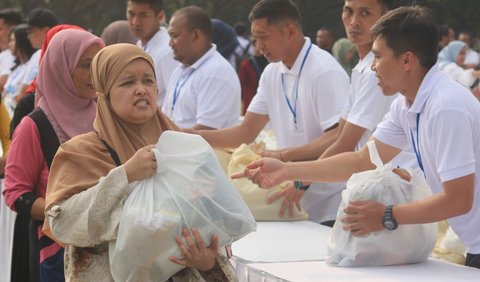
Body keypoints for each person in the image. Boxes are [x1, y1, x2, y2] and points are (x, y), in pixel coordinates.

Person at [233, 6, 480, 270]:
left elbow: (458, 200)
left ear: (407, 60)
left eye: (378, 56)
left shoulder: (445, 106)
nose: (372, 66)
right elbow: (362, 159)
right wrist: (287, 171)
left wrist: (387, 215)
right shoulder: (405, 104)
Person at [43, 43, 236, 281]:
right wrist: (125, 175)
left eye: (148, 81)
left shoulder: (181, 148)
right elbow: (64, 223)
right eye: (127, 82)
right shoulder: (80, 153)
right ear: (104, 92)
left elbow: (210, 224)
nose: (141, 90)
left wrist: (207, 262)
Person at [261, 0, 418, 219]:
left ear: (385, 17)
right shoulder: (363, 67)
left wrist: (298, 177)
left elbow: (346, 143)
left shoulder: (377, 71)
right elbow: (340, 136)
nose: (354, 22)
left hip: (395, 189)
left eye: (365, 13)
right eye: (349, 12)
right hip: (376, 185)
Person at [195, 0, 349, 225]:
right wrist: (191, 135)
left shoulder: (324, 71)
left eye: (263, 37)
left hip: (329, 203)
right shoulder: (271, 73)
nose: (257, 47)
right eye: (255, 39)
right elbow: (245, 132)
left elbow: (338, 136)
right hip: (292, 199)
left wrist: (288, 163)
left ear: (290, 31)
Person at [3, 29, 105, 282]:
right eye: (85, 65)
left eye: (98, 63)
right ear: (62, 67)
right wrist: (63, 213)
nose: (94, 73)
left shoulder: (105, 117)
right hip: (55, 250)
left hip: (104, 247)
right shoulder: (35, 126)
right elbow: (15, 192)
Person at [163, 6, 241, 130]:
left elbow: (206, 130)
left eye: (175, 36)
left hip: (201, 149)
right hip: (176, 146)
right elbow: (166, 116)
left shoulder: (216, 73)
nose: (170, 43)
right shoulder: (180, 70)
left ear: (195, 35)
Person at [127, 0, 178, 107]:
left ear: (160, 17)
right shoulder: (140, 44)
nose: (135, 22)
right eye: (131, 14)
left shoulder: (167, 51)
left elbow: (175, 101)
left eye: (143, 15)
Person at [19, 8, 59, 100]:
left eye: (30, 31)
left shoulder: (59, 55)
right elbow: (23, 90)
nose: (28, 36)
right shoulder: (36, 55)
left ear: (46, 31)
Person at [2, 24, 36, 117]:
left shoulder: (30, 66)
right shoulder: (16, 68)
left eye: (13, 40)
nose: (9, 44)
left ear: (22, 41)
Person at [238, 38, 269, 114]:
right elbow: (240, 84)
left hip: (268, 99)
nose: (257, 47)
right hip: (250, 100)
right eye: (254, 45)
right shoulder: (246, 64)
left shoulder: (271, 62)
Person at [0, 8, 23, 94]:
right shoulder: (4, 54)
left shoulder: (16, 56)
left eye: (0, 29)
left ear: (12, 28)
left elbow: (2, 84)